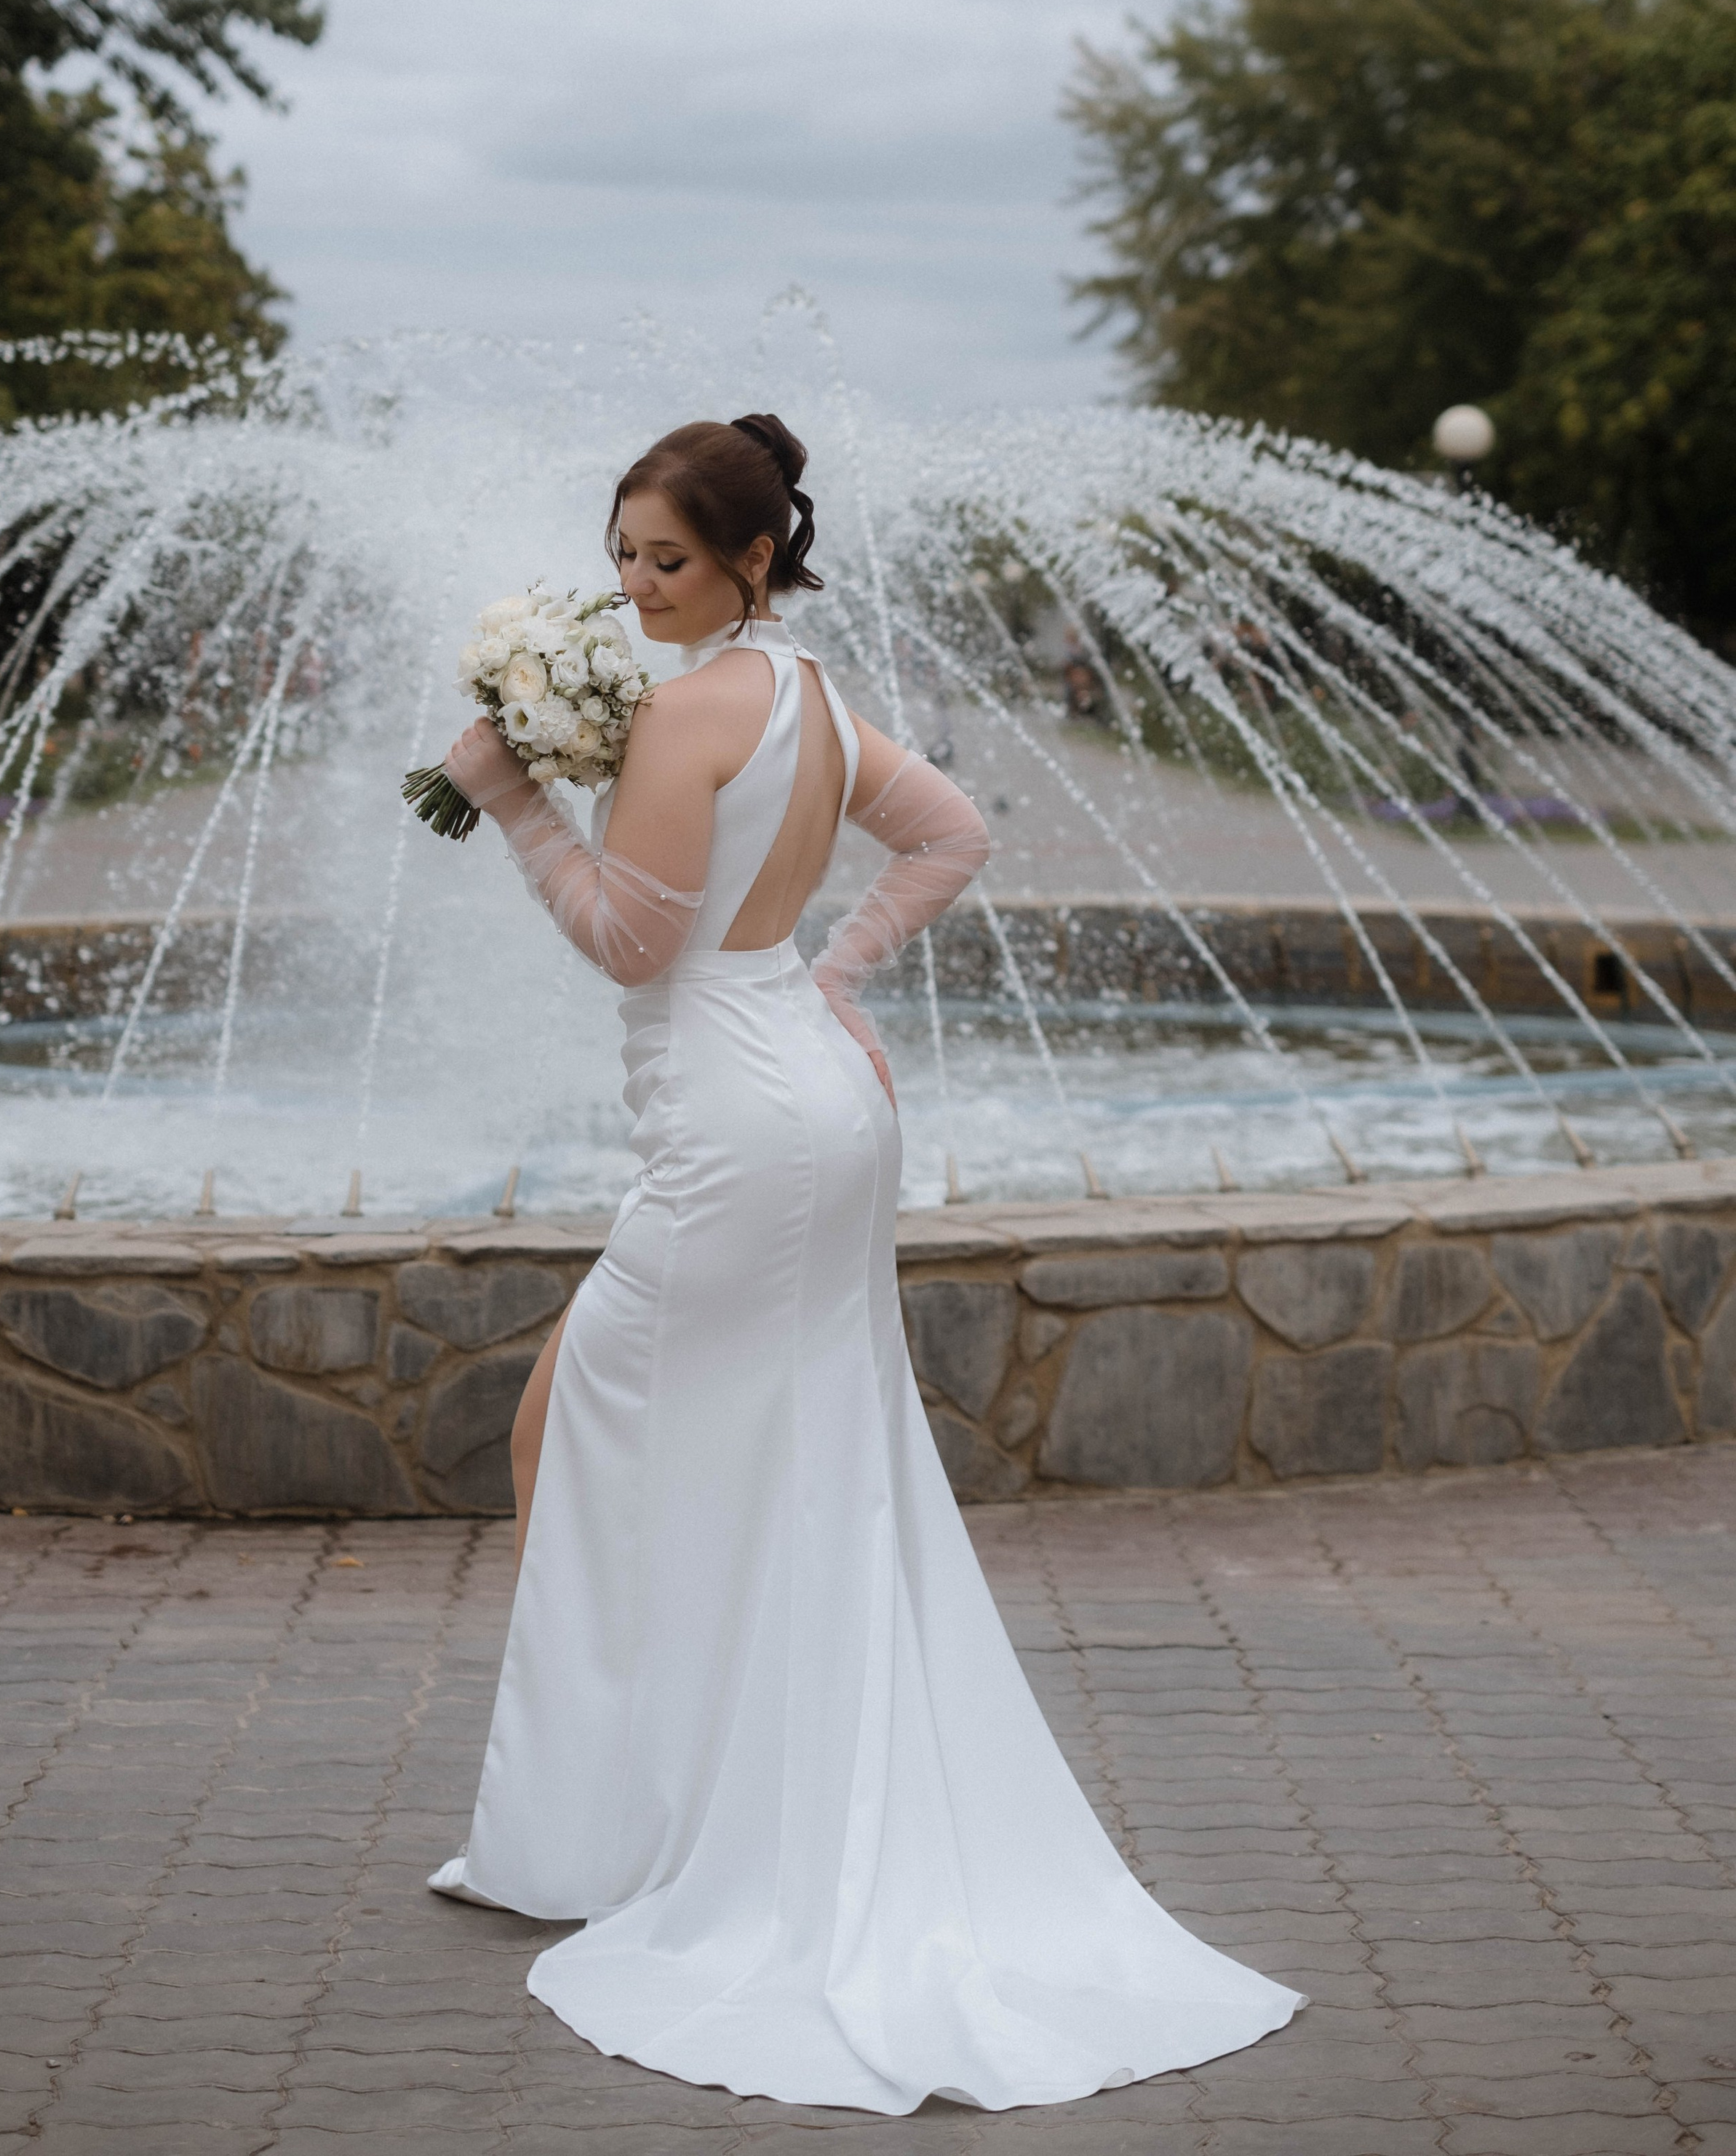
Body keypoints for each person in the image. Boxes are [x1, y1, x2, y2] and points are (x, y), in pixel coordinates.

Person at [427, 414, 1302, 2115]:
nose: (633, 586)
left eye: (664, 559)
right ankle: (658, 1805)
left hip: (741, 1140)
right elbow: (949, 833)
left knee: (585, 1432)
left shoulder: (691, 707)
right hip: (814, 1109)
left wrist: (518, 802)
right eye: (618, 557)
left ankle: (640, 1831)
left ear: (753, 556)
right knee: (737, 1453)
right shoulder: (813, 693)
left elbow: (630, 942)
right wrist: (835, 975)